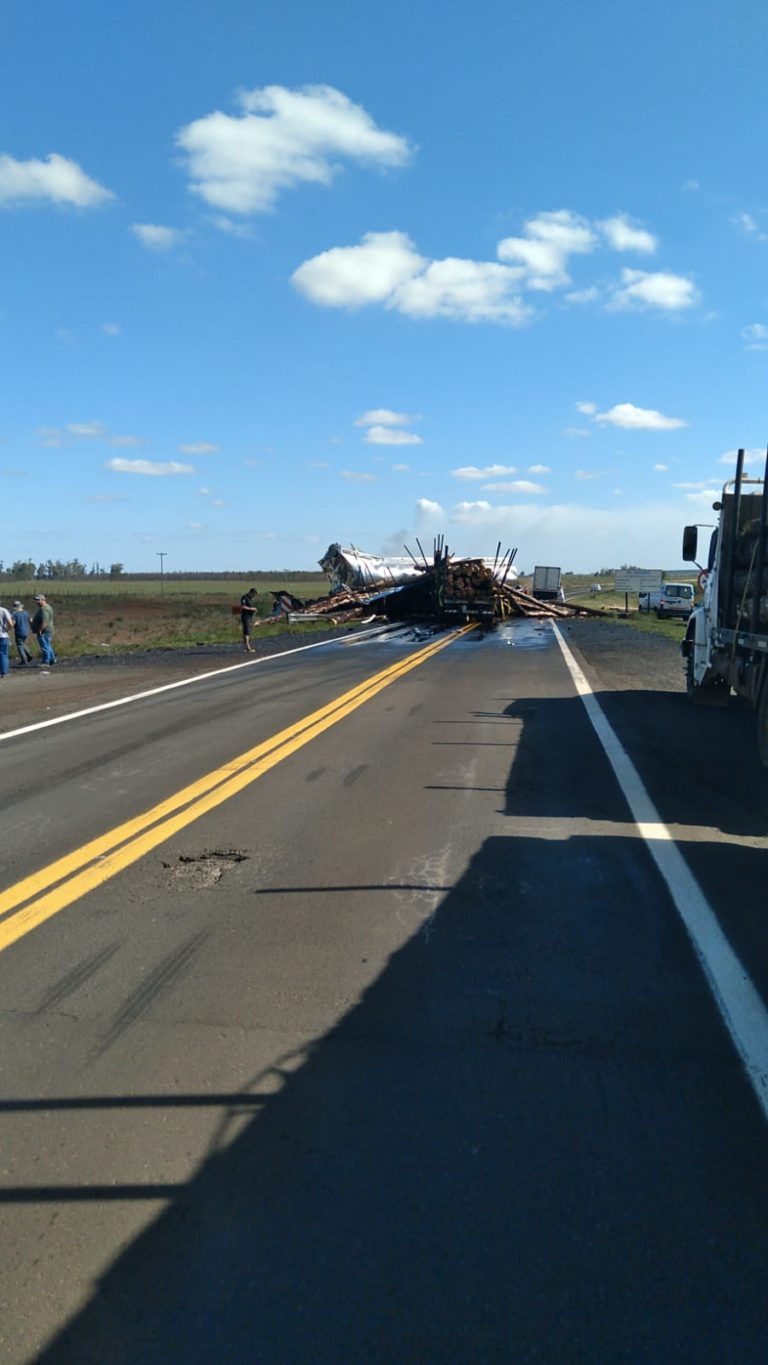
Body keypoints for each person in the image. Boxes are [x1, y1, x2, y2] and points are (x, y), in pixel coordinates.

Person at [31, 593, 57, 666]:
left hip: (44, 631)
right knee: (47, 645)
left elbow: (44, 622)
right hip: (48, 630)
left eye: (38, 600)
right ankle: (52, 659)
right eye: (36, 600)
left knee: (44, 646)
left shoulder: (44, 610)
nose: (37, 602)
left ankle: (46, 662)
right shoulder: (48, 607)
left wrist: (39, 630)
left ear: (43, 600)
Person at [11, 599, 32, 665]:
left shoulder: (15, 614)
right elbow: (31, 620)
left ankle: (24, 658)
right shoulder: (26, 613)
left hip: (19, 631)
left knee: (19, 645)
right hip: (27, 630)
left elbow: (13, 623)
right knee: (22, 643)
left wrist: (9, 628)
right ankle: (29, 654)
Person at [239, 588, 259, 652]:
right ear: (251, 592)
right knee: (247, 631)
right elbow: (243, 606)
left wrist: (254, 609)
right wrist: (251, 609)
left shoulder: (250, 599)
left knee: (247, 631)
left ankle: (245, 646)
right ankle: (248, 647)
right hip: (245, 616)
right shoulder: (244, 598)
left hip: (250, 617)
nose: (253, 596)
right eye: (253, 594)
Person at [0, 602, 12, 679]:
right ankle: (4, 672)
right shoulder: (3, 610)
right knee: (3, 654)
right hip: (2, 635)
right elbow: (10, 623)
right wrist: (8, 630)